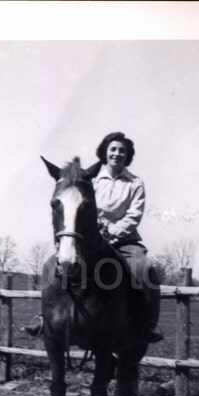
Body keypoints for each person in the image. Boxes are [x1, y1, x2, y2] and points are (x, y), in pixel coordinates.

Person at [24, 131, 163, 343]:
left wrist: (114, 231)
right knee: (53, 264)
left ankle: (144, 324)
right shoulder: (92, 178)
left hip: (125, 241)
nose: (117, 154)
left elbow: (134, 215)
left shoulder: (135, 183)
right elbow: (78, 206)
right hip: (90, 238)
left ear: (128, 155)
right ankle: (47, 318)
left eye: (122, 151)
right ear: (105, 153)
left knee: (143, 268)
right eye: (113, 149)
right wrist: (95, 227)